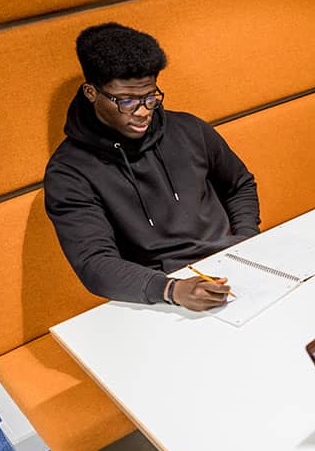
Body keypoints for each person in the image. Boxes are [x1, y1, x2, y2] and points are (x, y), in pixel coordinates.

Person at [45, 23, 260, 311]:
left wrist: (247, 241)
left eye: (150, 97)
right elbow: (94, 263)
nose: (144, 111)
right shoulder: (69, 171)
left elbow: (239, 185)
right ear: (91, 92)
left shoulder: (189, 129)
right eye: (127, 101)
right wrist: (170, 289)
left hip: (235, 264)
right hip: (160, 293)